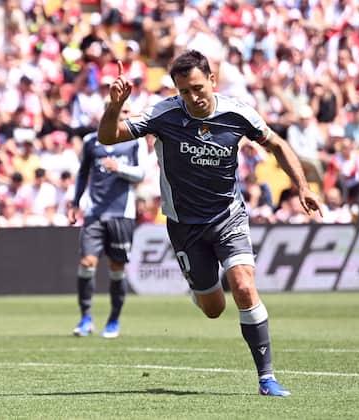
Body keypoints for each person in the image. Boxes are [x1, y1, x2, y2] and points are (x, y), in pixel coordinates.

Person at [98, 50, 322, 397]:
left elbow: (277, 144)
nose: (193, 97)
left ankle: (266, 378)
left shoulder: (238, 114)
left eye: (198, 87)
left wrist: (302, 187)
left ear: (212, 80)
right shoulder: (163, 114)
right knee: (214, 309)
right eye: (184, 91)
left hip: (228, 216)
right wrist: (114, 107)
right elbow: (109, 137)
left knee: (244, 286)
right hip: (184, 225)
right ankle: (200, 291)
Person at [67, 102, 144, 339]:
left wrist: (118, 167)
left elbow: (141, 174)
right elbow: (83, 173)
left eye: (128, 112)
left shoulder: (135, 141)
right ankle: (85, 318)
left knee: (116, 268)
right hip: (95, 213)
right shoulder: (91, 141)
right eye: (122, 111)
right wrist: (75, 202)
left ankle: (113, 320)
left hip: (122, 213)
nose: (125, 115)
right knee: (87, 262)